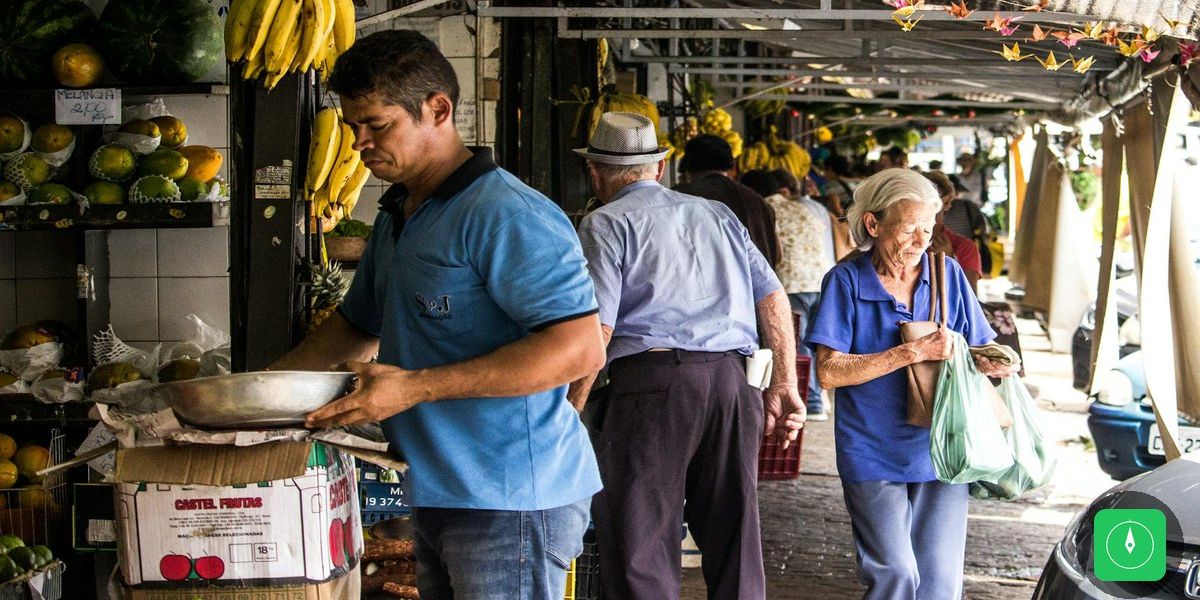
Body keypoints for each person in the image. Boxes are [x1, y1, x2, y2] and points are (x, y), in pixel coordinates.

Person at [270, 30, 604, 599]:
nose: (359, 144)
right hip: (436, 488)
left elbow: (580, 348)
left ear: (438, 110)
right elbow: (355, 327)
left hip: (510, 500)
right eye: (352, 127)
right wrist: (260, 398)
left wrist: (414, 388)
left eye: (377, 125)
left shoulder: (506, 214)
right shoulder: (399, 213)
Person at [570, 112, 803, 600]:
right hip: (734, 385)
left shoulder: (605, 221)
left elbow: (600, 327)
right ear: (658, 169)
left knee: (641, 542)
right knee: (734, 531)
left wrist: (569, 410)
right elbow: (773, 298)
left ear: (595, 172)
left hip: (652, 387)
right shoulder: (716, 214)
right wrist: (785, 383)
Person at [806, 168, 1018, 600]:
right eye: (910, 228)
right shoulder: (845, 282)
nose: (922, 240)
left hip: (942, 445)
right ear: (873, 224)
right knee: (896, 573)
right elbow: (828, 371)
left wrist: (993, 360)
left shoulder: (948, 276)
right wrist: (907, 353)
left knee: (939, 582)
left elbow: (978, 345)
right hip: (871, 449)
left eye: (929, 226)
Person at [742, 169, 832, 420]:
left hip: (791, 283)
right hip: (820, 280)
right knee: (814, 343)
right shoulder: (803, 207)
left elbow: (777, 253)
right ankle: (818, 399)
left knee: (796, 345)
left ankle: (811, 403)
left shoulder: (763, 210)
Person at [675, 134, 781, 267]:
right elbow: (776, 255)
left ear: (687, 166)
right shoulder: (760, 202)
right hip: (757, 286)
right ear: (732, 166)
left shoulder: (681, 198)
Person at [923, 170, 983, 290]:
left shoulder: (964, 247)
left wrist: (949, 261)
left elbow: (970, 300)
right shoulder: (904, 241)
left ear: (946, 201)